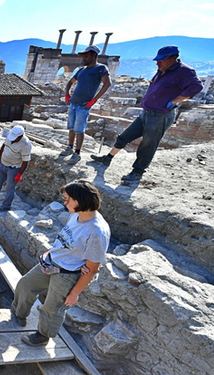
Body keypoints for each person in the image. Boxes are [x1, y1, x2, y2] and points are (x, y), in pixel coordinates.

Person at [11, 180, 110, 346]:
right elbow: (68, 241)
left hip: (67, 274)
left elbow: (92, 269)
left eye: (67, 199)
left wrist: (74, 293)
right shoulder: (77, 214)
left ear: (80, 200)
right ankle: (19, 313)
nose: (64, 203)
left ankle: (42, 336)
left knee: (52, 308)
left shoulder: (97, 232)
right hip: (52, 262)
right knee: (25, 285)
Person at [90, 45, 203, 182]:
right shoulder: (163, 69)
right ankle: (107, 158)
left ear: (173, 58)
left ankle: (137, 172)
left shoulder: (184, 71)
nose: (158, 63)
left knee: (148, 144)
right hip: (146, 112)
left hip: (160, 115)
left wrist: (175, 101)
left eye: (162, 60)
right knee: (125, 136)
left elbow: (196, 86)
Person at [62, 45, 112, 164]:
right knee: (71, 127)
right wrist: (67, 93)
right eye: (83, 56)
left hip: (84, 105)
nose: (84, 58)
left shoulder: (100, 68)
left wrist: (94, 100)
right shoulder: (81, 70)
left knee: (79, 129)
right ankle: (69, 147)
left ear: (94, 55)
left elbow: (107, 83)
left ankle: (77, 153)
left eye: (86, 55)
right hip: (73, 103)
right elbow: (70, 82)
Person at [0, 125, 31, 211]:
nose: (12, 139)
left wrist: (19, 174)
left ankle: (6, 205)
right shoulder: (11, 134)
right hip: (4, 164)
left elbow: (25, 161)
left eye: (15, 138)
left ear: (20, 136)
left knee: (9, 188)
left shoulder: (25, 144)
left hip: (14, 168)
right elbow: (4, 145)